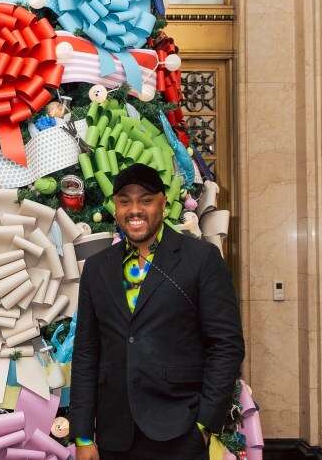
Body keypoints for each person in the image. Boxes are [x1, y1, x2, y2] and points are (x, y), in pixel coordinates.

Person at [70, 163, 245, 460]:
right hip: (115, 436)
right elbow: (87, 352)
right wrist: (83, 435)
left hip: (180, 431)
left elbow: (226, 345)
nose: (134, 210)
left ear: (163, 204)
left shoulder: (201, 259)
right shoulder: (97, 268)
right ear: (115, 207)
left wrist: (204, 424)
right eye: (125, 201)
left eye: (146, 200)